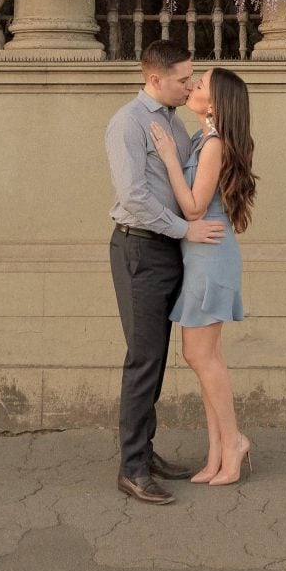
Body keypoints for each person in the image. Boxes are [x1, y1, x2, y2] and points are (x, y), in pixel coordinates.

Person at [106, 40, 227, 506]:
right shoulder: (128, 124)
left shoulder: (173, 123)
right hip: (139, 248)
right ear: (154, 79)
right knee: (143, 360)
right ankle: (132, 468)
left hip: (168, 251)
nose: (189, 85)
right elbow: (134, 197)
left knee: (154, 361)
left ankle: (145, 453)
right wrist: (186, 230)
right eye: (182, 79)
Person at [150, 66, 257, 486]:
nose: (192, 85)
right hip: (200, 255)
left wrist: (168, 160)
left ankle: (233, 443)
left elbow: (194, 208)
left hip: (210, 256)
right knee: (202, 357)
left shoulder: (213, 144)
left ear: (214, 104)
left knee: (201, 356)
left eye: (201, 83)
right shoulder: (202, 139)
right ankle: (216, 452)